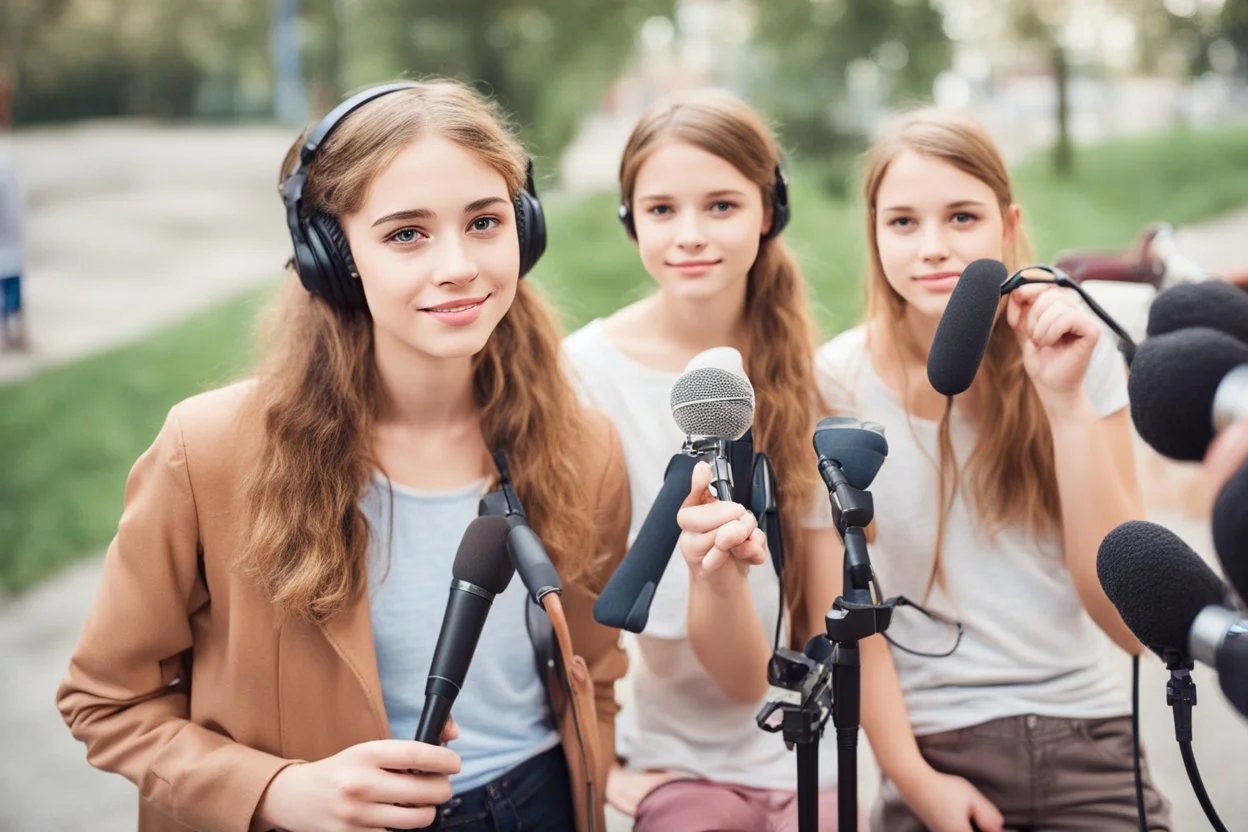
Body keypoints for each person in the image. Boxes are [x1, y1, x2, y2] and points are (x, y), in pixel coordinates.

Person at [57, 80, 629, 832]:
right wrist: (274, 791)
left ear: (526, 228)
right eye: (406, 234)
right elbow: (105, 700)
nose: (458, 265)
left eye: (485, 221)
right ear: (332, 255)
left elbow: (593, 674)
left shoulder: (585, 446)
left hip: (536, 806)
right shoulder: (209, 452)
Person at [804, 108, 1172, 831]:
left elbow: (1129, 626)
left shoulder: (1078, 352)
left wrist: (1064, 403)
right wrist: (915, 781)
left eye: (962, 218)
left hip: (1089, 736)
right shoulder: (833, 384)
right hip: (935, 752)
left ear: (1008, 225)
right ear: (874, 234)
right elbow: (844, 619)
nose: (933, 248)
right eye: (903, 222)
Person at [562, 89, 848, 831]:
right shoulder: (580, 376)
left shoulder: (814, 385)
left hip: (794, 746)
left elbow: (818, 621)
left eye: (721, 205)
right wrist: (605, 762)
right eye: (661, 210)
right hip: (666, 759)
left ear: (768, 212)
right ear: (630, 220)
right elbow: (564, 606)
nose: (689, 234)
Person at [0, 70, 25, 351]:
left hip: (10, 248)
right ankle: (16, 336)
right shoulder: (4, 160)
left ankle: (15, 335)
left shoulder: (5, 154)